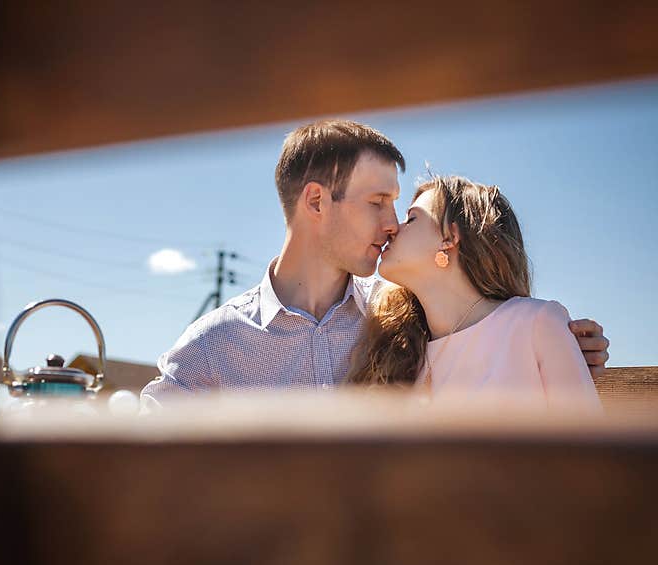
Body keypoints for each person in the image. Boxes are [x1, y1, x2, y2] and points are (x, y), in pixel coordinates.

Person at [140, 119, 609, 411]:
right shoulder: (215, 344)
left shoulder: (402, 322)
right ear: (317, 201)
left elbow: (490, 338)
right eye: (378, 202)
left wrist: (565, 346)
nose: (390, 225)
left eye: (400, 208)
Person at [348, 174, 602, 412]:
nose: (393, 229)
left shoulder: (536, 323)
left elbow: (592, 450)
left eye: (412, 218)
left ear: (450, 237)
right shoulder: (398, 350)